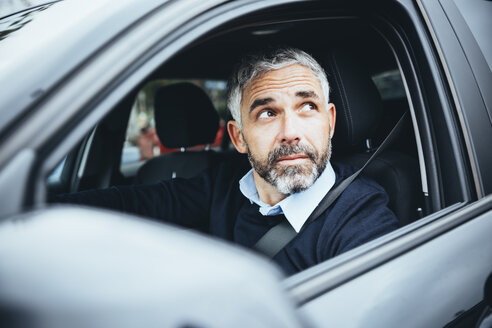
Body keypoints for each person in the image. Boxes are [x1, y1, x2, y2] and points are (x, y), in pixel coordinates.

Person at [53, 48, 398, 275]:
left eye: (307, 107)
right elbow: (132, 202)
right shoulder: (225, 185)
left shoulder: (360, 217)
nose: (291, 132)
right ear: (238, 137)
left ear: (331, 122)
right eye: (267, 113)